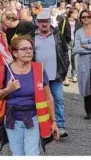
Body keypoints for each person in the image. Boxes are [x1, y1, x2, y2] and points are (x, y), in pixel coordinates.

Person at [0, 36, 59, 156]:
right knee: (17, 153)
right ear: (14, 53)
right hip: (12, 119)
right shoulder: (4, 71)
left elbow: (49, 97)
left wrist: (54, 121)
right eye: (24, 49)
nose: (28, 51)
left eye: (30, 48)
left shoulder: (39, 69)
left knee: (32, 153)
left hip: (32, 118)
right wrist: (8, 89)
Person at [29, 10, 70, 138]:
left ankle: (61, 126)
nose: (44, 24)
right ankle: (42, 126)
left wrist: (64, 70)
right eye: (41, 22)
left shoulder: (57, 34)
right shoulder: (30, 36)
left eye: (46, 21)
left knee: (58, 101)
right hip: (38, 76)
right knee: (39, 102)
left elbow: (64, 52)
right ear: (37, 23)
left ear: (50, 22)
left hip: (56, 75)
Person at [59, 8, 82, 85]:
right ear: (71, 14)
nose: (77, 15)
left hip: (76, 42)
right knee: (67, 59)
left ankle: (74, 75)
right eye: (76, 13)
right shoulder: (64, 21)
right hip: (67, 42)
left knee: (75, 59)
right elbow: (60, 32)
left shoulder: (78, 22)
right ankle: (66, 76)